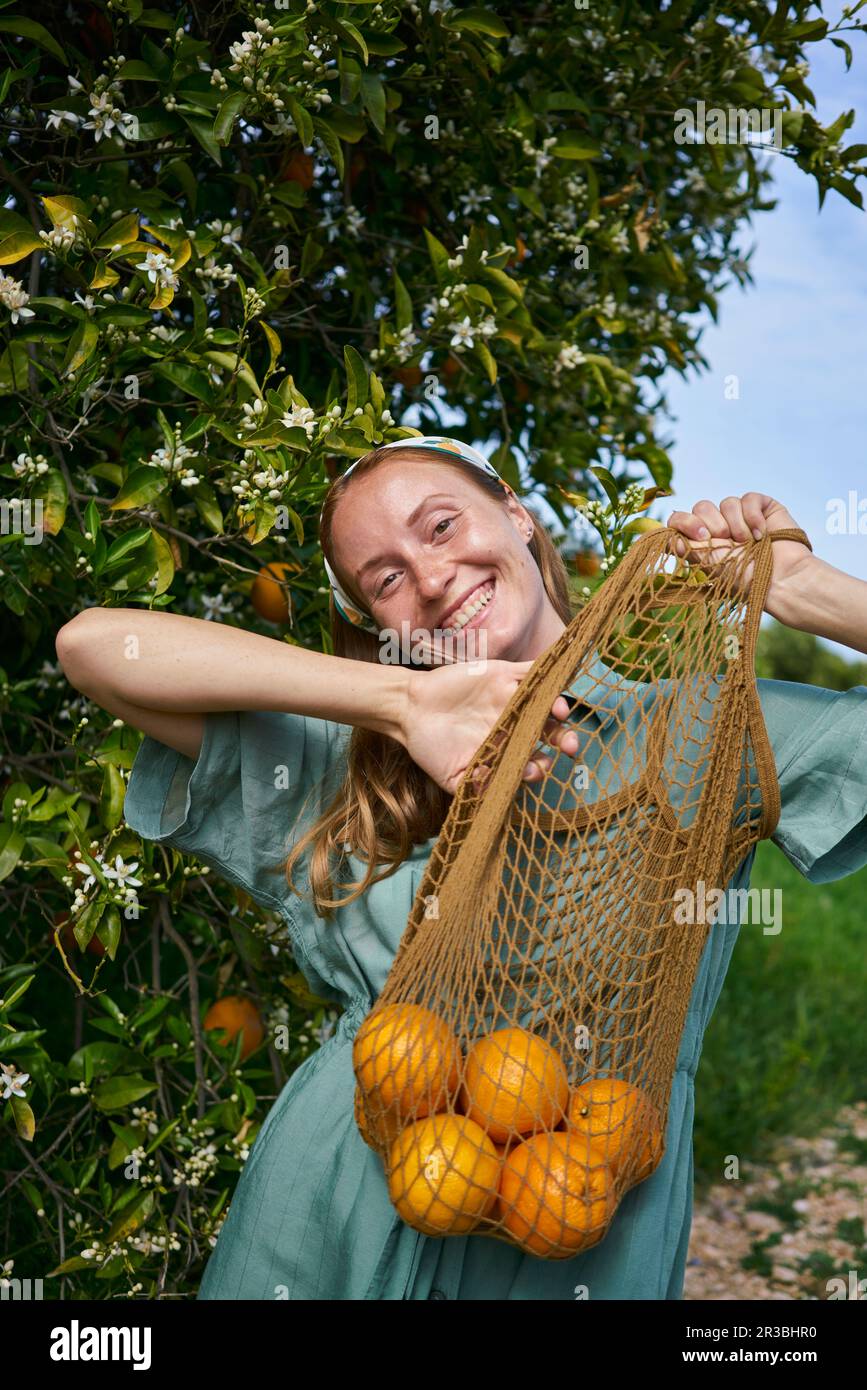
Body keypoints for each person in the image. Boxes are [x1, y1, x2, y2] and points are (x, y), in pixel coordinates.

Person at [55, 435, 867, 1300]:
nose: (432, 577)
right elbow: (94, 645)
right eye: (386, 580)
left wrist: (806, 592)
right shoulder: (345, 758)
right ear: (378, 627)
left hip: (581, 1223)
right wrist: (401, 701)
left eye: (439, 527)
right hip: (330, 1222)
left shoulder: (709, 731)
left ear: (515, 514)